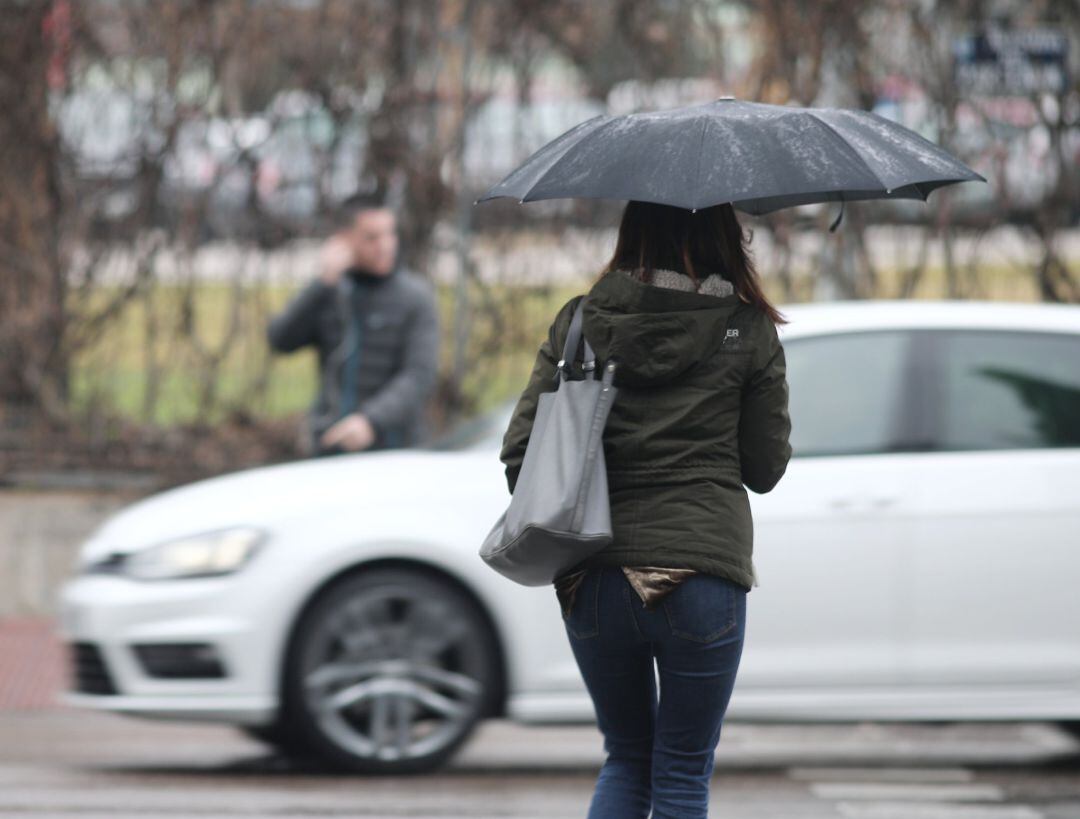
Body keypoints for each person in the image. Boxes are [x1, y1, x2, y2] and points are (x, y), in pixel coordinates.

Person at [499, 199, 792, 818]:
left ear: (630, 232)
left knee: (627, 758)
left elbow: (520, 456)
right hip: (701, 574)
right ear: (725, 237)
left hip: (593, 577)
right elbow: (766, 470)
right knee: (682, 771)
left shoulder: (578, 323)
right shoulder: (748, 330)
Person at [267, 192, 441, 457]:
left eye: (389, 234)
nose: (385, 246)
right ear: (343, 241)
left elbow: (419, 375)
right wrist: (322, 284)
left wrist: (371, 420)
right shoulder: (330, 293)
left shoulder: (415, 297)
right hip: (331, 447)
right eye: (372, 238)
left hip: (394, 450)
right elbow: (280, 340)